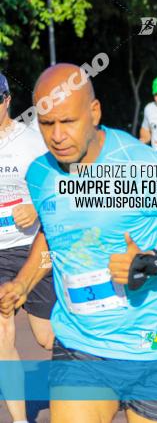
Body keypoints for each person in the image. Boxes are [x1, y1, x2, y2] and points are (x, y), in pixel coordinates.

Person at [0, 63, 157, 423]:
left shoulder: (139, 164)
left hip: (153, 346)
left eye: (68, 122)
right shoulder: (41, 174)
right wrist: (23, 283)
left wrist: (155, 260)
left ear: (94, 113)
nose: (58, 136)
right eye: (47, 124)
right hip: (80, 346)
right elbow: (52, 233)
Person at [0, 74, 54, 423]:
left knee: (47, 338)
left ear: (6, 100)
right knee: (2, 339)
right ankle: (20, 420)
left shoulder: (32, 142)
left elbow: (62, 186)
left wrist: (36, 207)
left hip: (30, 247)